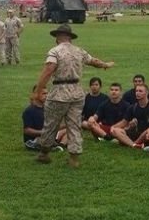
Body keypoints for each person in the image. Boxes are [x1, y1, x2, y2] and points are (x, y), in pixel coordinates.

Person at [33, 24, 114, 167]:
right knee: (75, 125)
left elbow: (49, 70)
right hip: (77, 93)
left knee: (51, 124)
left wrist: (38, 90)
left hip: (59, 92)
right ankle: (74, 158)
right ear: (70, 37)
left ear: (58, 37)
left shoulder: (55, 51)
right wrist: (105, 65)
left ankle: (44, 153)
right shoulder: (79, 51)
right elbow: (93, 61)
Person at [110, 84, 149, 148]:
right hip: (136, 132)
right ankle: (134, 145)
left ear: (147, 93)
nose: (138, 93)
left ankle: (132, 143)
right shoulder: (133, 107)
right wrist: (113, 127)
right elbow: (124, 122)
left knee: (148, 132)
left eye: (140, 91)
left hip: (148, 134)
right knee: (116, 130)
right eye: (136, 91)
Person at [22, 85, 66, 150]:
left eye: (47, 93)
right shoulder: (29, 111)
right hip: (35, 139)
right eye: (44, 93)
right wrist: (43, 132)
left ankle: (60, 146)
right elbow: (27, 130)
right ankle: (49, 145)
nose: (47, 95)